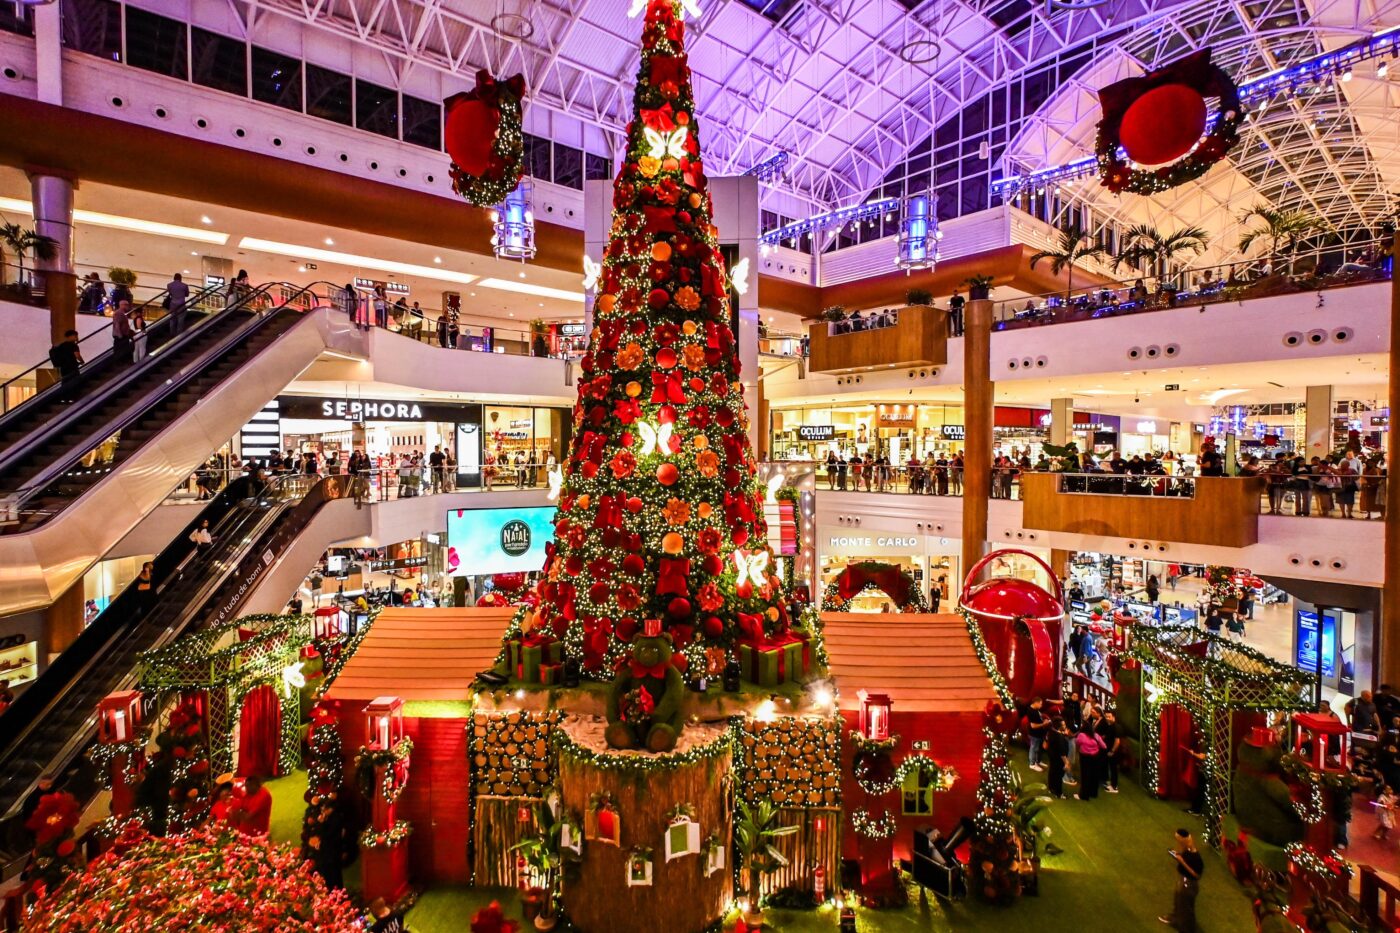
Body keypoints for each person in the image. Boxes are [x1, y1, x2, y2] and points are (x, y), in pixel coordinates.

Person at [1159, 828, 1204, 931]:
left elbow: (1196, 875)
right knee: (1178, 903)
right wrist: (1177, 855)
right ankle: (1175, 920)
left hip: (1188, 884)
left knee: (1186, 909)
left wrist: (1182, 861)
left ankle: (1187, 929)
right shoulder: (1187, 851)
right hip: (1183, 881)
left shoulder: (1196, 857)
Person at [48, 329, 84, 403]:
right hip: (72, 367)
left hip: (63, 367)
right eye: (75, 336)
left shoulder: (61, 346)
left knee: (65, 381)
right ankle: (73, 397)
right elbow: (77, 355)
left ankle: (64, 398)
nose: (77, 337)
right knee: (74, 381)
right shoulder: (74, 345)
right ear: (72, 336)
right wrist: (82, 361)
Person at [1074, 724, 1106, 799]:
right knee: (1094, 775)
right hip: (1095, 757)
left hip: (1085, 758)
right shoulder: (1096, 736)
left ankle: (1084, 795)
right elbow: (1104, 746)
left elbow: (1077, 743)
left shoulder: (1081, 735)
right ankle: (1093, 793)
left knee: (1085, 776)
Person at [1046, 717, 1072, 798]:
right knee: (1058, 776)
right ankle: (1059, 793)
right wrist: (1066, 762)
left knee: (1052, 773)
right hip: (1058, 759)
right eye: (1063, 725)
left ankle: (1051, 788)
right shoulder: (1059, 737)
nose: (1065, 726)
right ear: (1058, 726)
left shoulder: (1051, 731)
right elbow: (1062, 752)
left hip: (1052, 756)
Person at [1099, 709, 1122, 793]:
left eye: (1109, 717)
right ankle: (1112, 784)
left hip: (1114, 753)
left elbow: (1117, 741)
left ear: (1113, 717)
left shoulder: (1116, 727)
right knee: (1111, 768)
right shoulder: (1110, 725)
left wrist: (1112, 751)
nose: (1107, 718)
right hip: (1109, 750)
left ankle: (1114, 787)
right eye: (1106, 716)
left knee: (1114, 769)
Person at [165, 272, 191, 336]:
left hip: (173, 304)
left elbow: (170, 293)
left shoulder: (169, 285)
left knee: (172, 319)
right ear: (180, 278)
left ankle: (172, 333)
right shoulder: (184, 286)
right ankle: (179, 334)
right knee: (181, 319)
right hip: (181, 304)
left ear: (174, 278)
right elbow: (187, 295)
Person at [1025, 697, 1048, 771]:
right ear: (1036, 703)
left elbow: (1039, 719)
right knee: (1034, 748)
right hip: (1034, 734)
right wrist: (1044, 724)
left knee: (1039, 749)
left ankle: (1038, 761)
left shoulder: (1036, 710)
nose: (1041, 706)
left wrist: (1043, 720)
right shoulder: (1031, 711)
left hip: (1039, 733)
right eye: (1040, 704)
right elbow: (1033, 726)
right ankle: (1032, 764)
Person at [111, 298, 135, 364]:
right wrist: (120, 335)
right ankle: (120, 362)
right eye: (126, 305)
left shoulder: (122, 313)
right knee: (121, 350)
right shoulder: (119, 313)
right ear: (122, 305)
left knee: (124, 349)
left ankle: (122, 361)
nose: (128, 306)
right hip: (121, 336)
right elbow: (117, 324)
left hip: (123, 335)